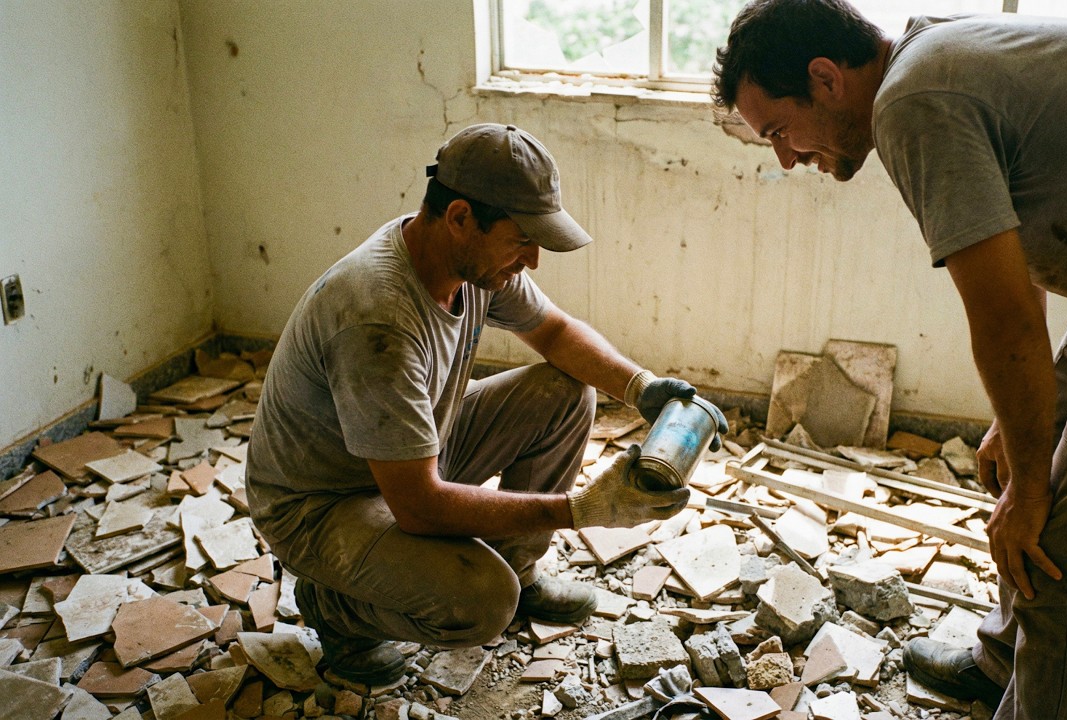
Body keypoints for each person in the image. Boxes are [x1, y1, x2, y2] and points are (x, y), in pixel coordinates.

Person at [712, 1, 1067, 717]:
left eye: (779, 131)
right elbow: (1027, 235)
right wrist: (1020, 439)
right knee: (1021, 470)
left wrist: (1034, 485)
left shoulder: (914, 104)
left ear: (825, 78)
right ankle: (1004, 661)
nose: (787, 159)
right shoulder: (929, 49)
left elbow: (1005, 317)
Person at [245, 123, 727, 687]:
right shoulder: (377, 317)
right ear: (460, 218)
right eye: (523, 239)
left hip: (405, 459)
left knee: (565, 390)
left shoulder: (468, 264)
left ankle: (520, 568)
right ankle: (337, 610)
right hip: (321, 505)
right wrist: (580, 511)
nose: (534, 260)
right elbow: (419, 506)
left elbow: (555, 333)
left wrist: (642, 387)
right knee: (482, 602)